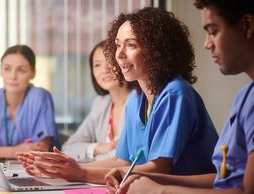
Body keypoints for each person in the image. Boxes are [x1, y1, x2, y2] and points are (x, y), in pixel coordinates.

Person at [17, 7, 218, 184]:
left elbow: (158, 168)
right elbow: (121, 161)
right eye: (117, 44)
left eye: (131, 45)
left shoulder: (175, 94)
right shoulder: (136, 99)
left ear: (157, 50)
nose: (119, 54)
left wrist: (80, 173)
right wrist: (62, 170)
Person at [105, 1, 254, 194]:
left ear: (247, 26)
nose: (207, 44)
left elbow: (246, 190)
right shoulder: (244, 97)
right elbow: (221, 180)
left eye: (213, 31)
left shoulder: (176, 93)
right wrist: (144, 179)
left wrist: (158, 190)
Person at [0, 45, 58, 159]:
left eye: (21, 70)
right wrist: (16, 151)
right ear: (0, 71)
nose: (13, 76)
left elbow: (41, 150)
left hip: (32, 171)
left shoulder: (40, 98)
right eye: (7, 68)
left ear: (33, 73)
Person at [62, 40, 131, 162]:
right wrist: (97, 148)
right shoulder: (101, 103)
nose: (105, 70)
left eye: (111, 62)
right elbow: (68, 147)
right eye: (97, 65)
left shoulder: (139, 101)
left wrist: (90, 160)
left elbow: (126, 157)